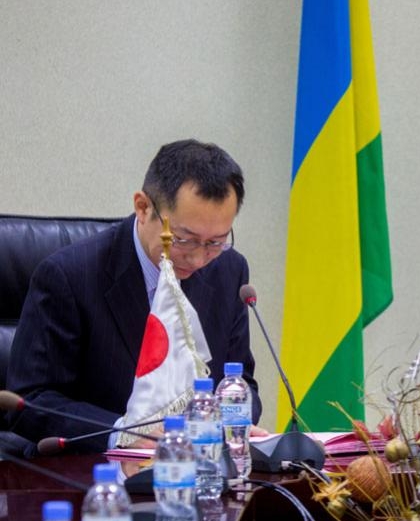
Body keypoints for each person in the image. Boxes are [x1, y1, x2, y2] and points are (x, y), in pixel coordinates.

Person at [7, 139, 264, 452]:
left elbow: (240, 381)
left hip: (201, 472)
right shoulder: (69, 276)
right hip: (95, 476)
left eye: (216, 241)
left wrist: (233, 420)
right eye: (183, 240)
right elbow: (31, 400)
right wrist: (123, 434)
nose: (198, 259)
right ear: (143, 207)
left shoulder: (230, 271)